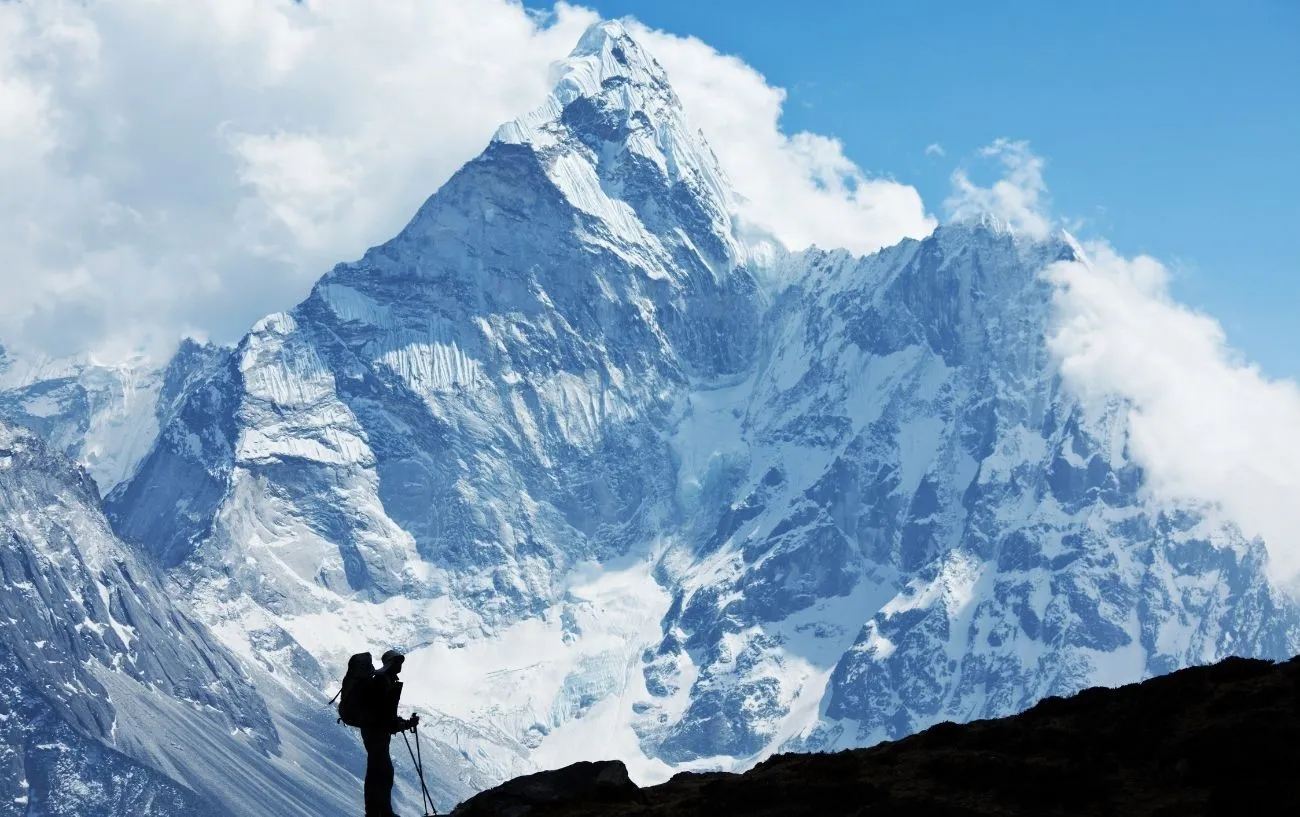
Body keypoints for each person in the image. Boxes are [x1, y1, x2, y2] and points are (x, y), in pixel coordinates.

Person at [360, 649, 419, 817]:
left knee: (379, 772)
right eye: (397, 661)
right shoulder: (381, 681)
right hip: (376, 733)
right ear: (390, 663)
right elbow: (382, 713)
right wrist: (401, 724)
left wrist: (402, 724)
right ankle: (379, 812)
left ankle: (378, 811)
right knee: (381, 772)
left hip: (375, 732)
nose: (400, 665)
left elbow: (385, 714)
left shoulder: (385, 679)